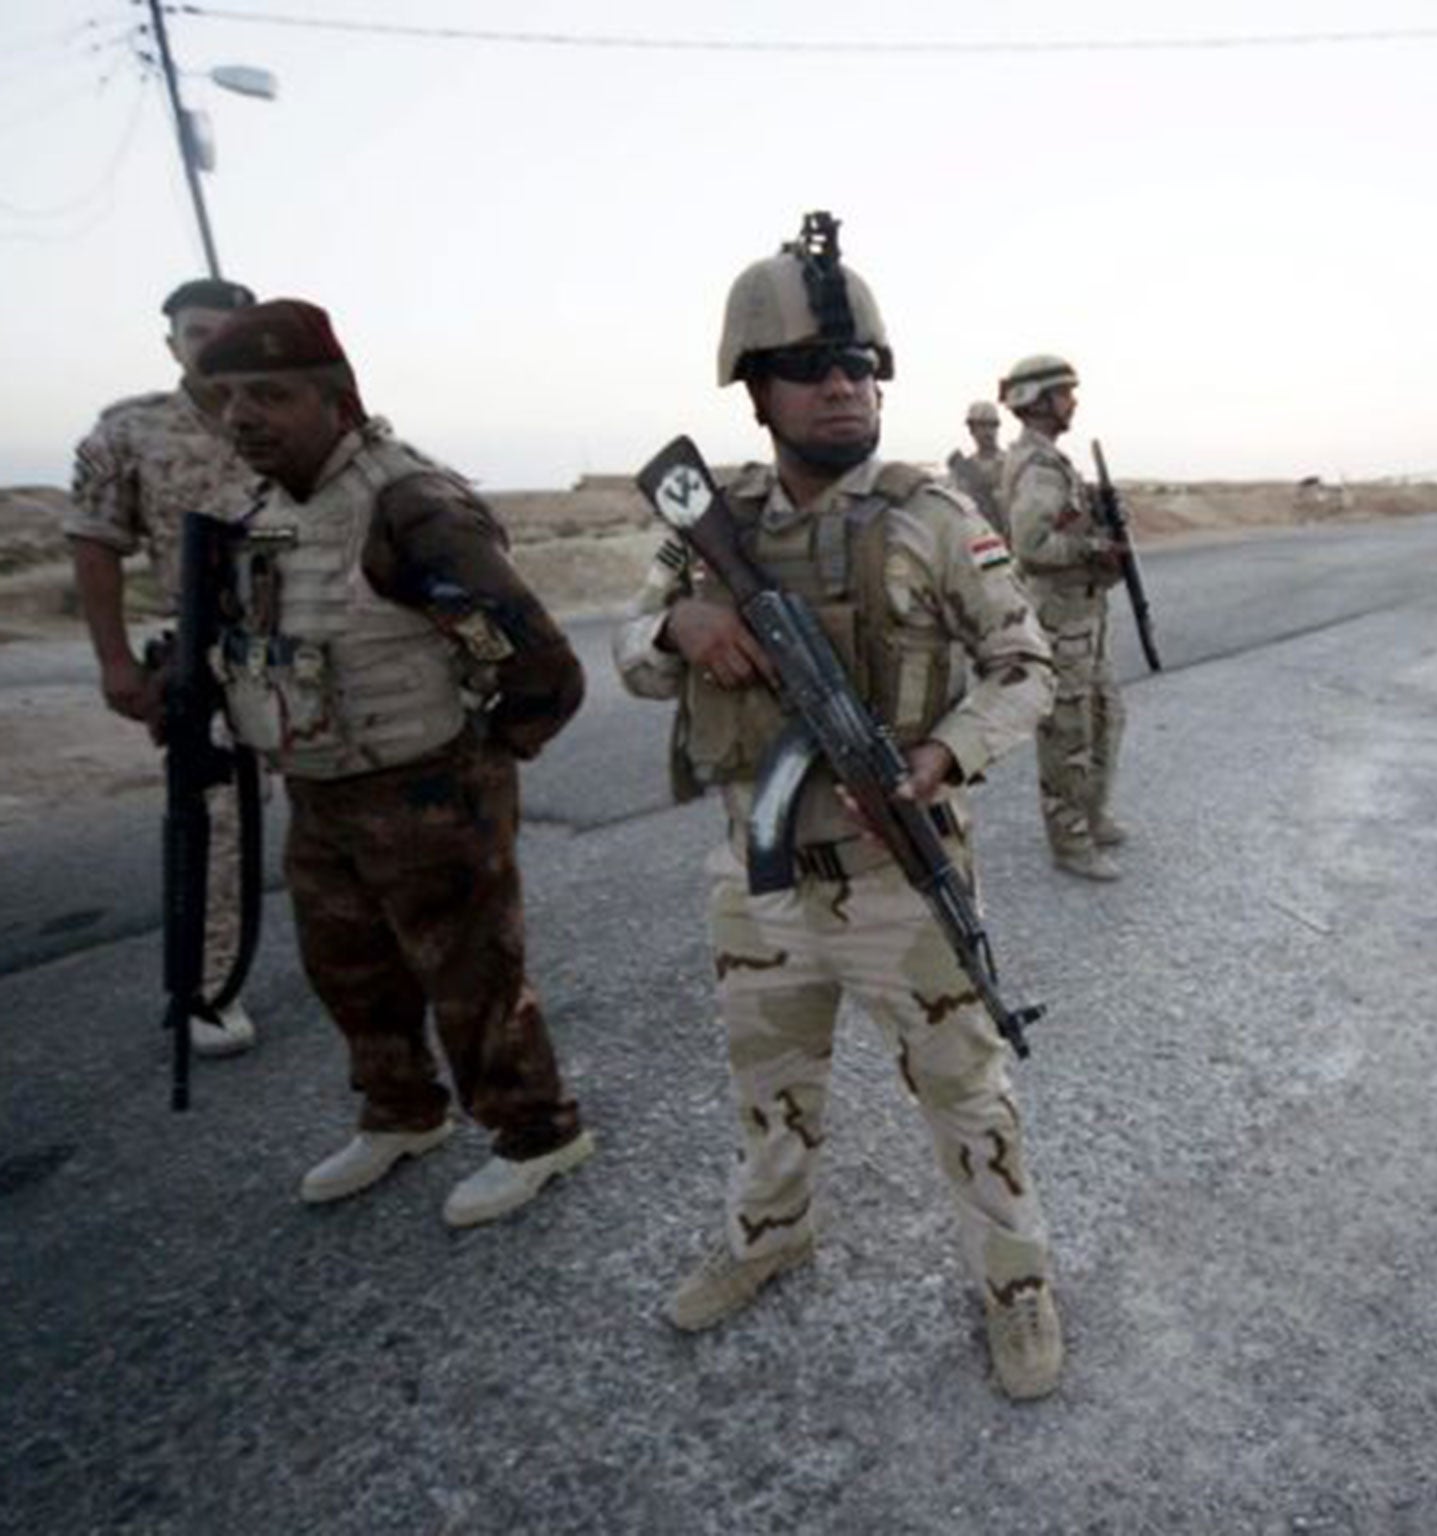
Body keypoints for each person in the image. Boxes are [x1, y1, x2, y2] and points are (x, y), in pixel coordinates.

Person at [614, 216, 1065, 1400]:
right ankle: (771, 1240)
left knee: (969, 1095)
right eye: (809, 369)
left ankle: (1015, 1287)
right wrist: (680, 623)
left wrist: (941, 759)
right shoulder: (710, 529)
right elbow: (626, 652)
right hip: (755, 885)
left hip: (893, 883)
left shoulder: (930, 518)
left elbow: (1027, 669)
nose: (839, 387)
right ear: (754, 392)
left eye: (858, 366)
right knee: (769, 1092)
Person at [194, 299, 594, 1227]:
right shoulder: (265, 511)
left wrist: (484, 756)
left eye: (271, 395)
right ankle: (402, 1110)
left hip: (427, 785)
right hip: (322, 785)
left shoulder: (411, 505)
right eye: (229, 399)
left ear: (337, 402)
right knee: (348, 967)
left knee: (472, 977)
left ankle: (537, 1132)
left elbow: (541, 665)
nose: (243, 417)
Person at [67, 277, 264, 1057]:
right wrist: (115, 661)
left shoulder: (290, 416)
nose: (211, 346)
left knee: (349, 814)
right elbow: (94, 544)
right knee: (211, 825)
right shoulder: (132, 432)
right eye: (196, 332)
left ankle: (367, 967)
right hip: (206, 652)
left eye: (228, 332)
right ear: (172, 344)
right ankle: (209, 990)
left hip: (312, 642)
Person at [996, 354, 1128, 882]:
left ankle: (1091, 816)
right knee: (1069, 731)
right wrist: (1097, 545)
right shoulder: (1038, 466)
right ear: (1038, 401)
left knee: (1104, 716)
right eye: (1063, 392)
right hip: (1060, 622)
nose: (1072, 401)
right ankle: (1070, 840)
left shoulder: (1051, 460)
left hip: (1082, 615)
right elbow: (1031, 545)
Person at [946, 400, 1005, 533]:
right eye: (982, 426)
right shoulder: (962, 471)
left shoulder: (1011, 463)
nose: (988, 432)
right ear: (972, 430)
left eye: (992, 426)